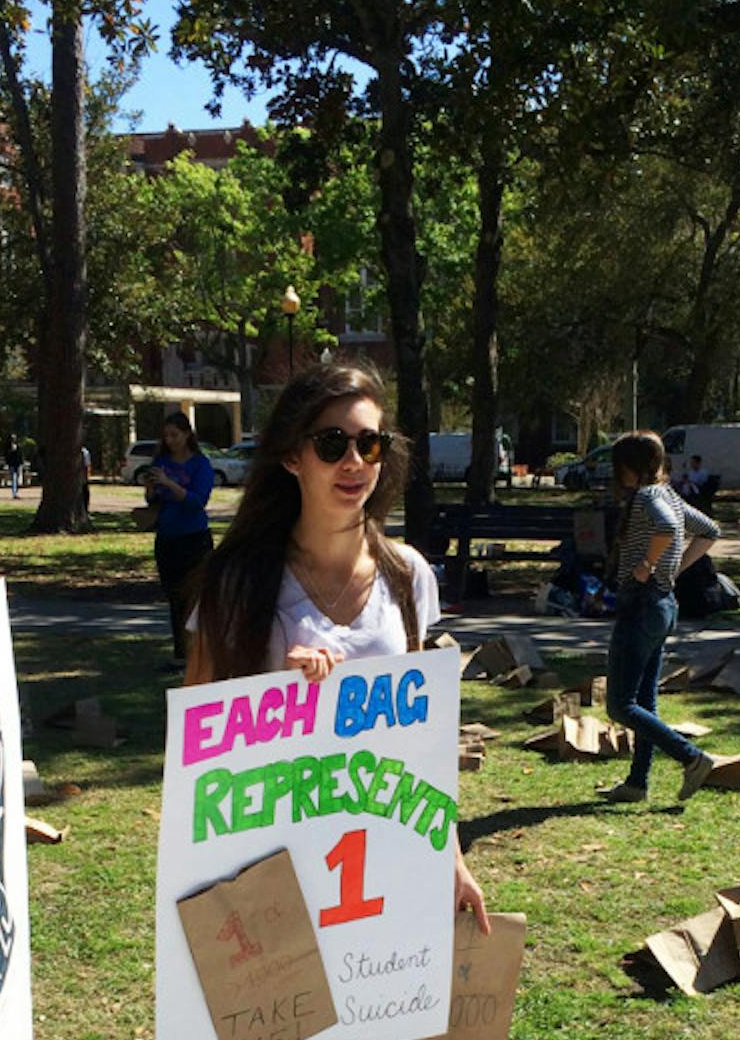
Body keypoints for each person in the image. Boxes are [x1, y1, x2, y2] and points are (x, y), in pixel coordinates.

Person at [184, 361, 490, 948]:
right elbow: (199, 754)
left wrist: (451, 857)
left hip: (385, 860)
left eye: (369, 444)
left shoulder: (409, 575)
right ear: (291, 456)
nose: (354, 463)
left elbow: (421, 743)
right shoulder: (238, 582)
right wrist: (281, 703)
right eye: (332, 444)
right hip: (271, 869)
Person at [596, 431, 720, 804]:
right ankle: (637, 783)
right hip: (663, 604)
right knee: (644, 703)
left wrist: (649, 565)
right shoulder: (668, 493)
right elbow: (710, 532)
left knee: (620, 704)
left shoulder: (649, 496)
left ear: (628, 467)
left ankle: (691, 757)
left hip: (642, 604)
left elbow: (667, 528)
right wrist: (674, 569)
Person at [144, 412, 214, 669]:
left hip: (194, 539)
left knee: (195, 598)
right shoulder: (161, 461)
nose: (170, 440)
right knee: (174, 597)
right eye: (166, 436)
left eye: (175, 435)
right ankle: (180, 654)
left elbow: (198, 501)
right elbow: (154, 501)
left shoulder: (200, 464)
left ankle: (201, 653)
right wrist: (152, 488)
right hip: (167, 537)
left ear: (187, 435)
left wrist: (170, 483)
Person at [4, 431, 25, 499]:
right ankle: (14, 492)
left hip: (17, 464)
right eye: (12, 438)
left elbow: (20, 455)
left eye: (14, 438)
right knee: (14, 478)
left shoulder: (18, 446)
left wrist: (21, 463)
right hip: (12, 465)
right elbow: (7, 456)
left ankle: (15, 491)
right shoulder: (8, 447)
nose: (13, 439)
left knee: (17, 479)